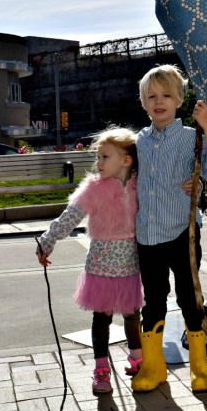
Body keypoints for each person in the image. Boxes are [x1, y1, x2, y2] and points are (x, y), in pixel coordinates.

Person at [133, 64, 207, 395]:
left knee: (189, 297)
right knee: (153, 299)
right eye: (152, 96)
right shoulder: (139, 141)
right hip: (148, 234)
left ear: (179, 99)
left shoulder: (190, 138)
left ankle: (199, 365)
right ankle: (154, 366)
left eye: (166, 95)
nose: (159, 102)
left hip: (182, 233)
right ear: (143, 102)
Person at [35, 127, 142, 396]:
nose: (99, 163)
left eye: (105, 157)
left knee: (132, 314)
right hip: (101, 263)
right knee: (102, 317)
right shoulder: (94, 188)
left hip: (131, 262)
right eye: (98, 157)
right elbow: (70, 217)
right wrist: (47, 241)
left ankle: (138, 359)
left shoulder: (140, 184)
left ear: (126, 160)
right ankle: (101, 368)